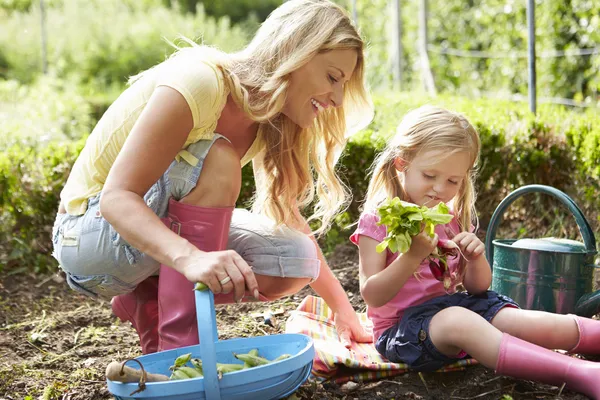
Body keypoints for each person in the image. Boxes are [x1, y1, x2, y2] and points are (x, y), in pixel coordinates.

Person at [51, 0, 374, 355]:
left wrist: (345, 313)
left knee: (297, 258)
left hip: (141, 238)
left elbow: (289, 216)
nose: (339, 98)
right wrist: (190, 257)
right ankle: (183, 355)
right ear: (295, 52)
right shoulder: (202, 82)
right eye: (332, 78)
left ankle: (149, 300)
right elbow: (117, 197)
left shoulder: (273, 118)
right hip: (88, 237)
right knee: (219, 160)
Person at [350, 105, 600, 399]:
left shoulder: (449, 218)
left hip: (452, 310)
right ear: (401, 164)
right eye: (430, 175)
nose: (440, 189)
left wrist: (475, 257)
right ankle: (579, 373)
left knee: (512, 319)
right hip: (402, 331)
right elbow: (372, 294)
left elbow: (478, 287)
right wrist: (412, 256)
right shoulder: (378, 221)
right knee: (458, 318)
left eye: (453, 181)